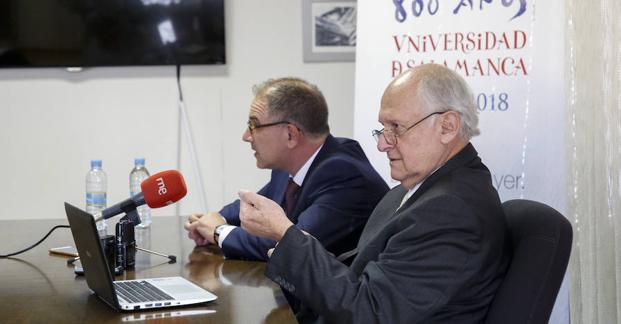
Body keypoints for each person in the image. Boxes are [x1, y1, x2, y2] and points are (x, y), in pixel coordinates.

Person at [238, 64, 511, 323]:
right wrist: (298, 245)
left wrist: (288, 236)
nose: (382, 144)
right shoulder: (417, 191)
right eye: (383, 129)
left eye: (396, 128)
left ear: (447, 126)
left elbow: (370, 313)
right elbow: (363, 279)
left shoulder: (451, 210)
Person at [184, 77, 388, 262]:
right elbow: (253, 206)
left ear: (290, 134)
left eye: (254, 125)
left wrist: (218, 231)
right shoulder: (289, 166)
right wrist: (210, 221)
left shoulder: (345, 175)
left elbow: (289, 244)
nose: (246, 136)